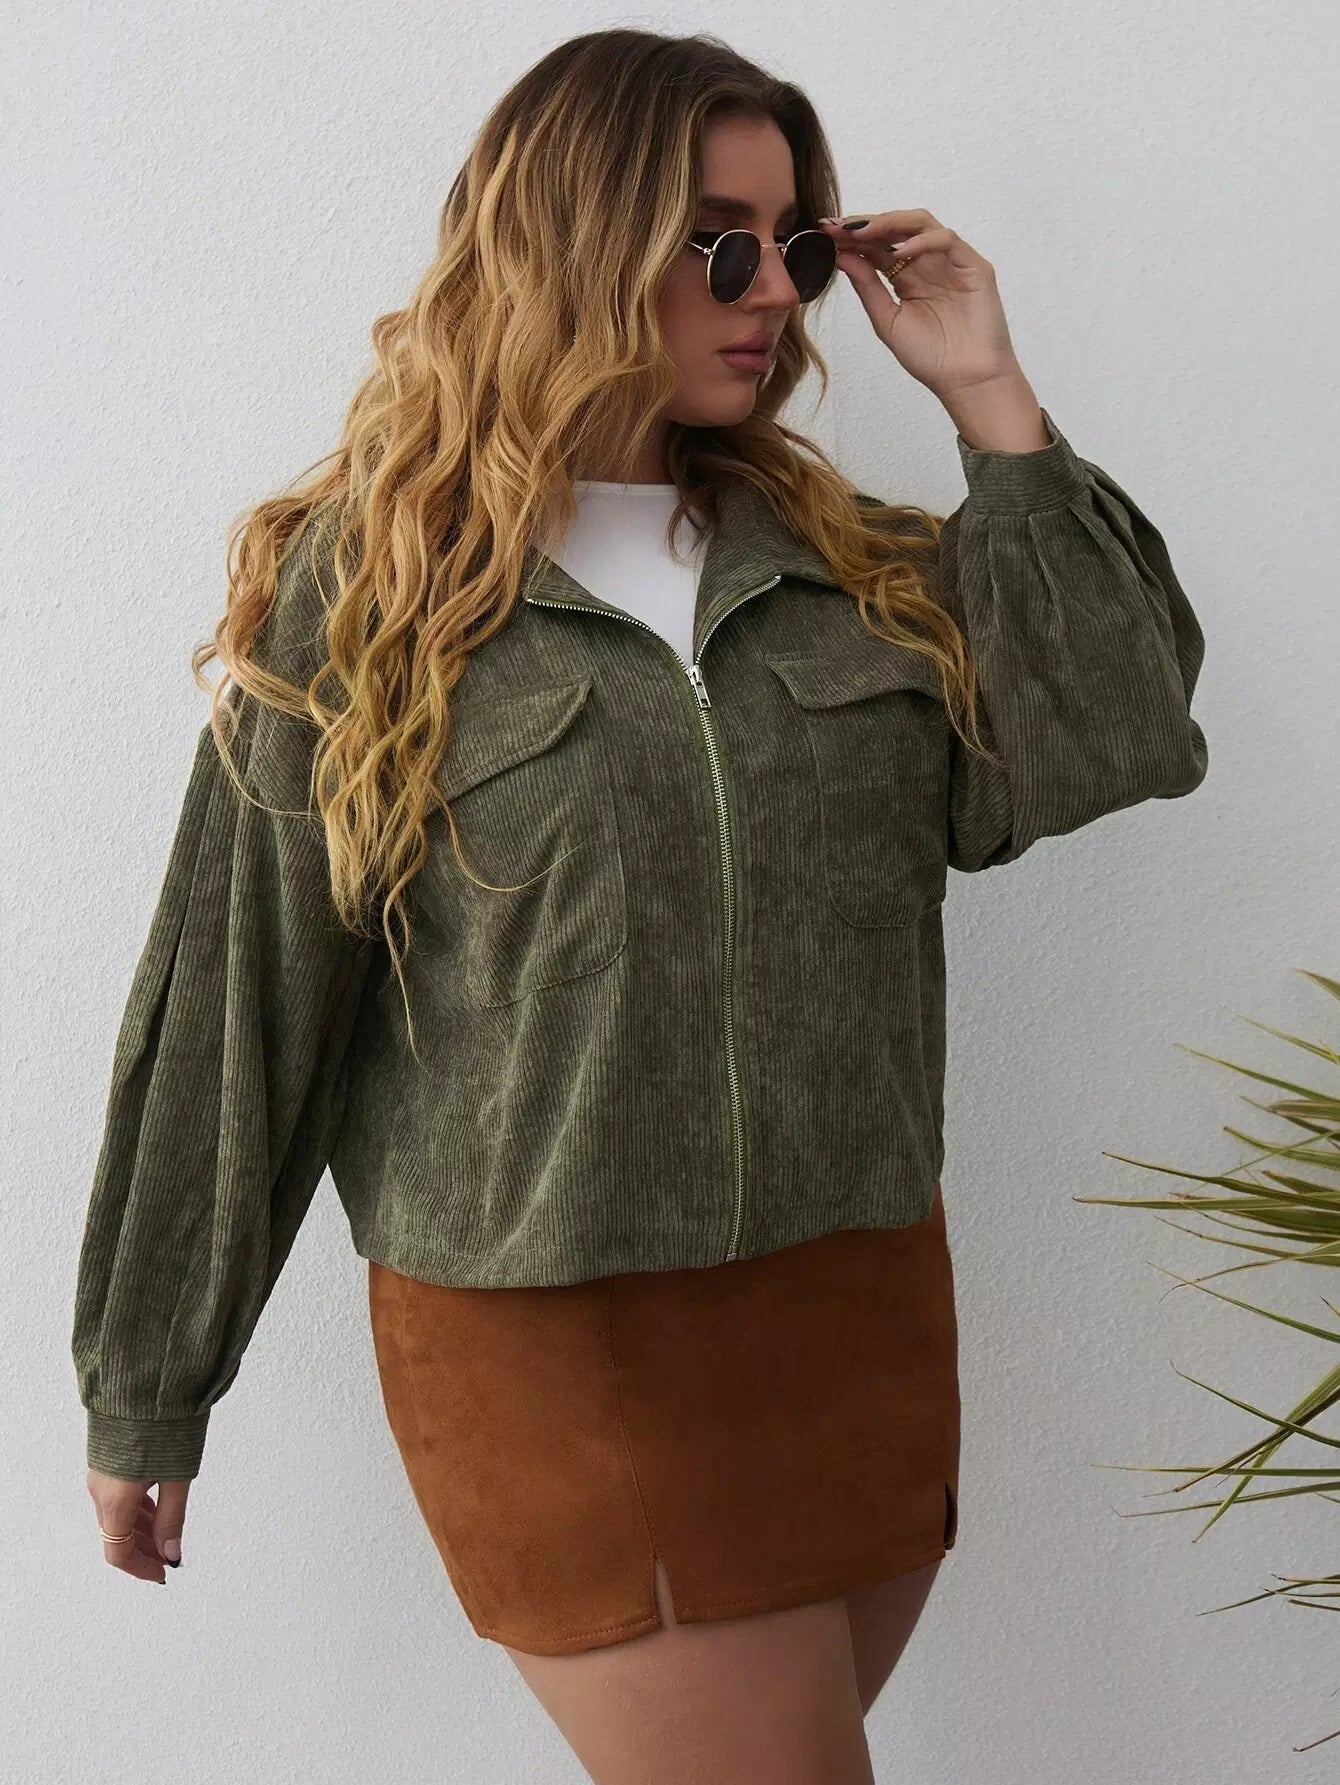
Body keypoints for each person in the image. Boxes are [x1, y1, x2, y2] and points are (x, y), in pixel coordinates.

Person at [71, 26, 1209, 1784]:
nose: (777, 291)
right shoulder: (375, 591)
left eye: (794, 243)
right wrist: (152, 1371)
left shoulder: (846, 569)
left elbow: (1118, 728)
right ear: (576, 240)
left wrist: (991, 397)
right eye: (719, 244)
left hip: (855, 1299)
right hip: (557, 1331)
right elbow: (238, 993)